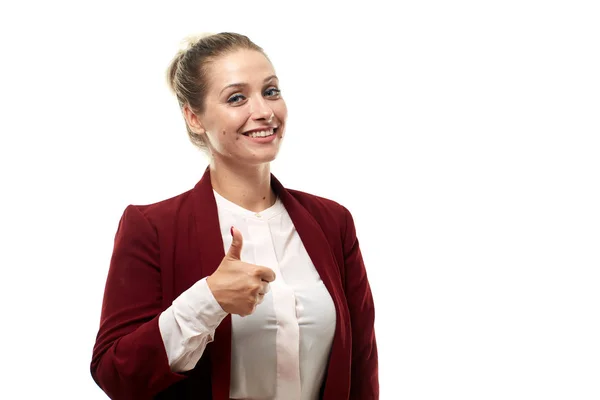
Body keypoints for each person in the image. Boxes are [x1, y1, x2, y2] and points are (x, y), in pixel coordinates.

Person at [90, 32, 378, 400]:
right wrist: (208, 300)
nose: (264, 111)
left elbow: (362, 368)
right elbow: (116, 374)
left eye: (270, 91)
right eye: (237, 97)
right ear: (194, 117)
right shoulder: (152, 228)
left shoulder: (332, 222)